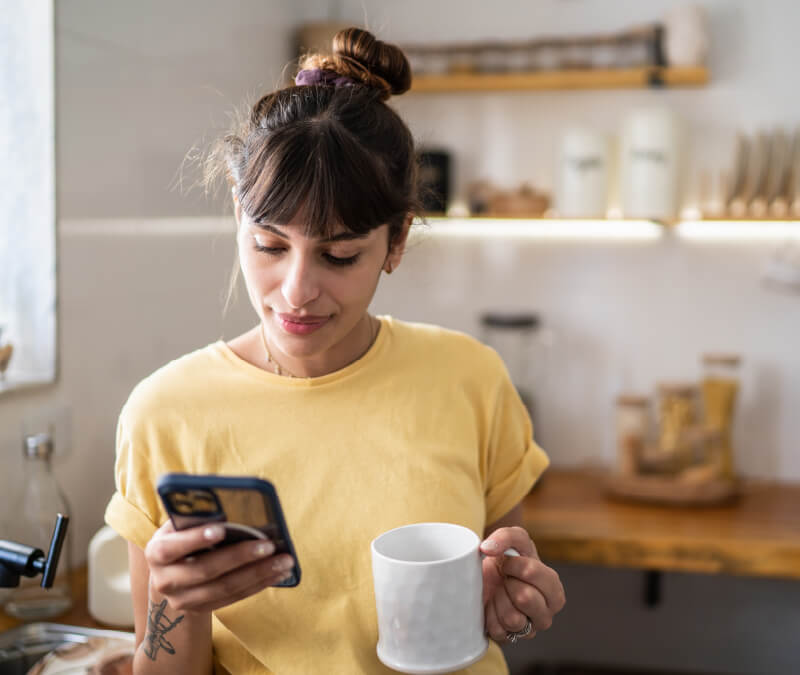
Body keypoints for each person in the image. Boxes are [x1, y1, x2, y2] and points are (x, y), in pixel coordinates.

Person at [104, 27, 565, 675]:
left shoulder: (470, 378)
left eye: (340, 254)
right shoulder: (164, 413)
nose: (296, 290)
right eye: (269, 245)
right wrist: (176, 603)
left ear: (397, 240)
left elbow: (496, 587)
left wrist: (512, 603)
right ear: (238, 214)